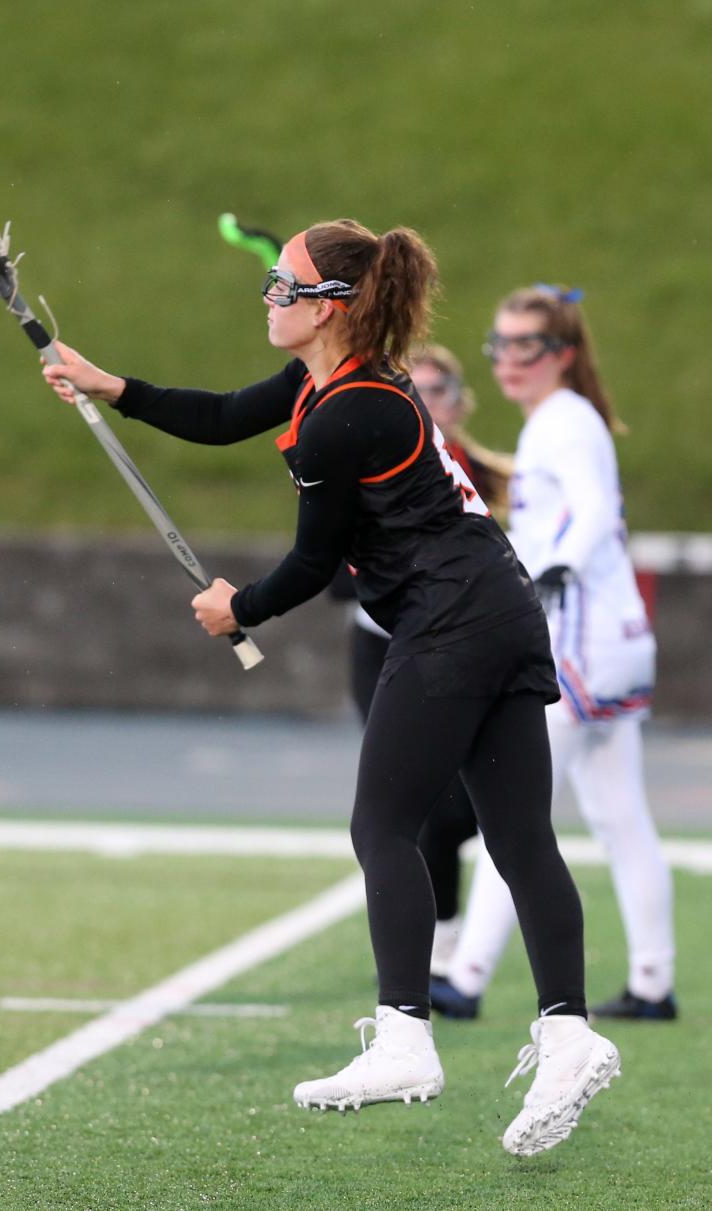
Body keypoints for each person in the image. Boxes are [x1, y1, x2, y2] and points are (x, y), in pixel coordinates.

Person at [43, 221, 620, 1156]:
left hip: (449, 621)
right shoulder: (334, 378)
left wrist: (241, 608)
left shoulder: (348, 413)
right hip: (498, 608)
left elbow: (314, 562)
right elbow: (226, 414)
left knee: (381, 825)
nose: (268, 296)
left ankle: (405, 1036)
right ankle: (567, 1032)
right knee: (520, 836)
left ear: (331, 307)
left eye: (285, 284)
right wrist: (112, 385)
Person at [430, 284, 677, 1023]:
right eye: (498, 344)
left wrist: (551, 567)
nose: (508, 360)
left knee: (516, 812)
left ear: (561, 353)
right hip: (616, 640)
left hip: (581, 641)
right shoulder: (560, 421)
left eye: (525, 345)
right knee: (619, 815)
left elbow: (595, 510)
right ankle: (653, 979)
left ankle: (467, 977)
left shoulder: (565, 423)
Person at [338, 346, 513, 976]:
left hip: (470, 644)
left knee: (477, 803)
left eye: (438, 390)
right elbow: (331, 572)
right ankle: (439, 938)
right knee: (420, 801)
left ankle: (450, 932)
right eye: (416, 389)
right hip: (389, 646)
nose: (427, 401)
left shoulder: (494, 477)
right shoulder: (368, 465)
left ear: (459, 400)